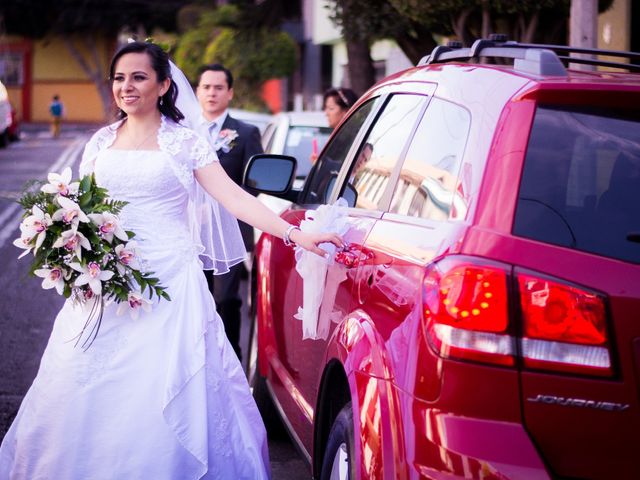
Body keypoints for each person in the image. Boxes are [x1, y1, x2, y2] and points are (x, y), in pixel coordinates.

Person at [0, 41, 341, 479]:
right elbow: (79, 207)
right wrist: (65, 242)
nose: (127, 87)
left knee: (166, 387)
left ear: (163, 85)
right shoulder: (100, 143)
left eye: (139, 77)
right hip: (103, 284)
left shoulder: (185, 144)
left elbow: (235, 199)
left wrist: (295, 233)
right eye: (120, 78)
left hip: (168, 287)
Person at [196, 63, 262, 362]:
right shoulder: (184, 132)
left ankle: (231, 358)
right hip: (190, 231)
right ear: (198, 91)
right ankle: (199, 357)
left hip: (230, 230)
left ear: (230, 92)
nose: (212, 93)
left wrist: (223, 207)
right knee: (196, 300)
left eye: (218, 87)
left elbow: (255, 184)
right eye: (206, 87)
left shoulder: (246, 133)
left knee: (227, 299)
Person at [310, 87, 358, 164]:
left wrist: (322, 164)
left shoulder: (349, 139)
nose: (326, 113)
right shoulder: (338, 137)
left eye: (331, 108)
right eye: (326, 108)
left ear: (346, 111)